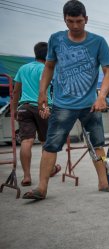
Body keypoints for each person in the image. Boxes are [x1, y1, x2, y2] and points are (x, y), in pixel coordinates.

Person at [22, 0, 109, 200]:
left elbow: (108, 71)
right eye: (70, 21)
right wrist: (42, 93)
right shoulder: (56, 39)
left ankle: (104, 183)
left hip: (91, 104)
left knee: (98, 142)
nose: (75, 26)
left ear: (86, 19)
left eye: (79, 21)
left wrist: (101, 96)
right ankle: (42, 188)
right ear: (64, 20)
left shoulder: (98, 42)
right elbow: (49, 67)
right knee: (51, 144)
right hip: (63, 104)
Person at [12, 42, 61, 187]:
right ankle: (50, 169)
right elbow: (45, 89)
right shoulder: (47, 69)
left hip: (24, 107)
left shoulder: (23, 68)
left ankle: (26, 176)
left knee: (26, 141)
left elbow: (16, 91)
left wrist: (14, 109)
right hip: (43, 107)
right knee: (47, 141)